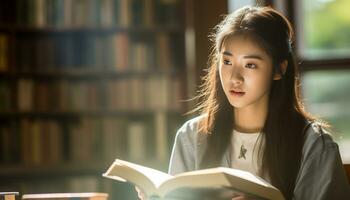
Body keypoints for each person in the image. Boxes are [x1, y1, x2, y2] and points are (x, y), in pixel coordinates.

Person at [137, 5, 350, 200]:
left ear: (279, 69)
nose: (235, 78)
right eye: (227, 61)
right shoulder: (192, 136)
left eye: (250, 65)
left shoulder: (314, 145)